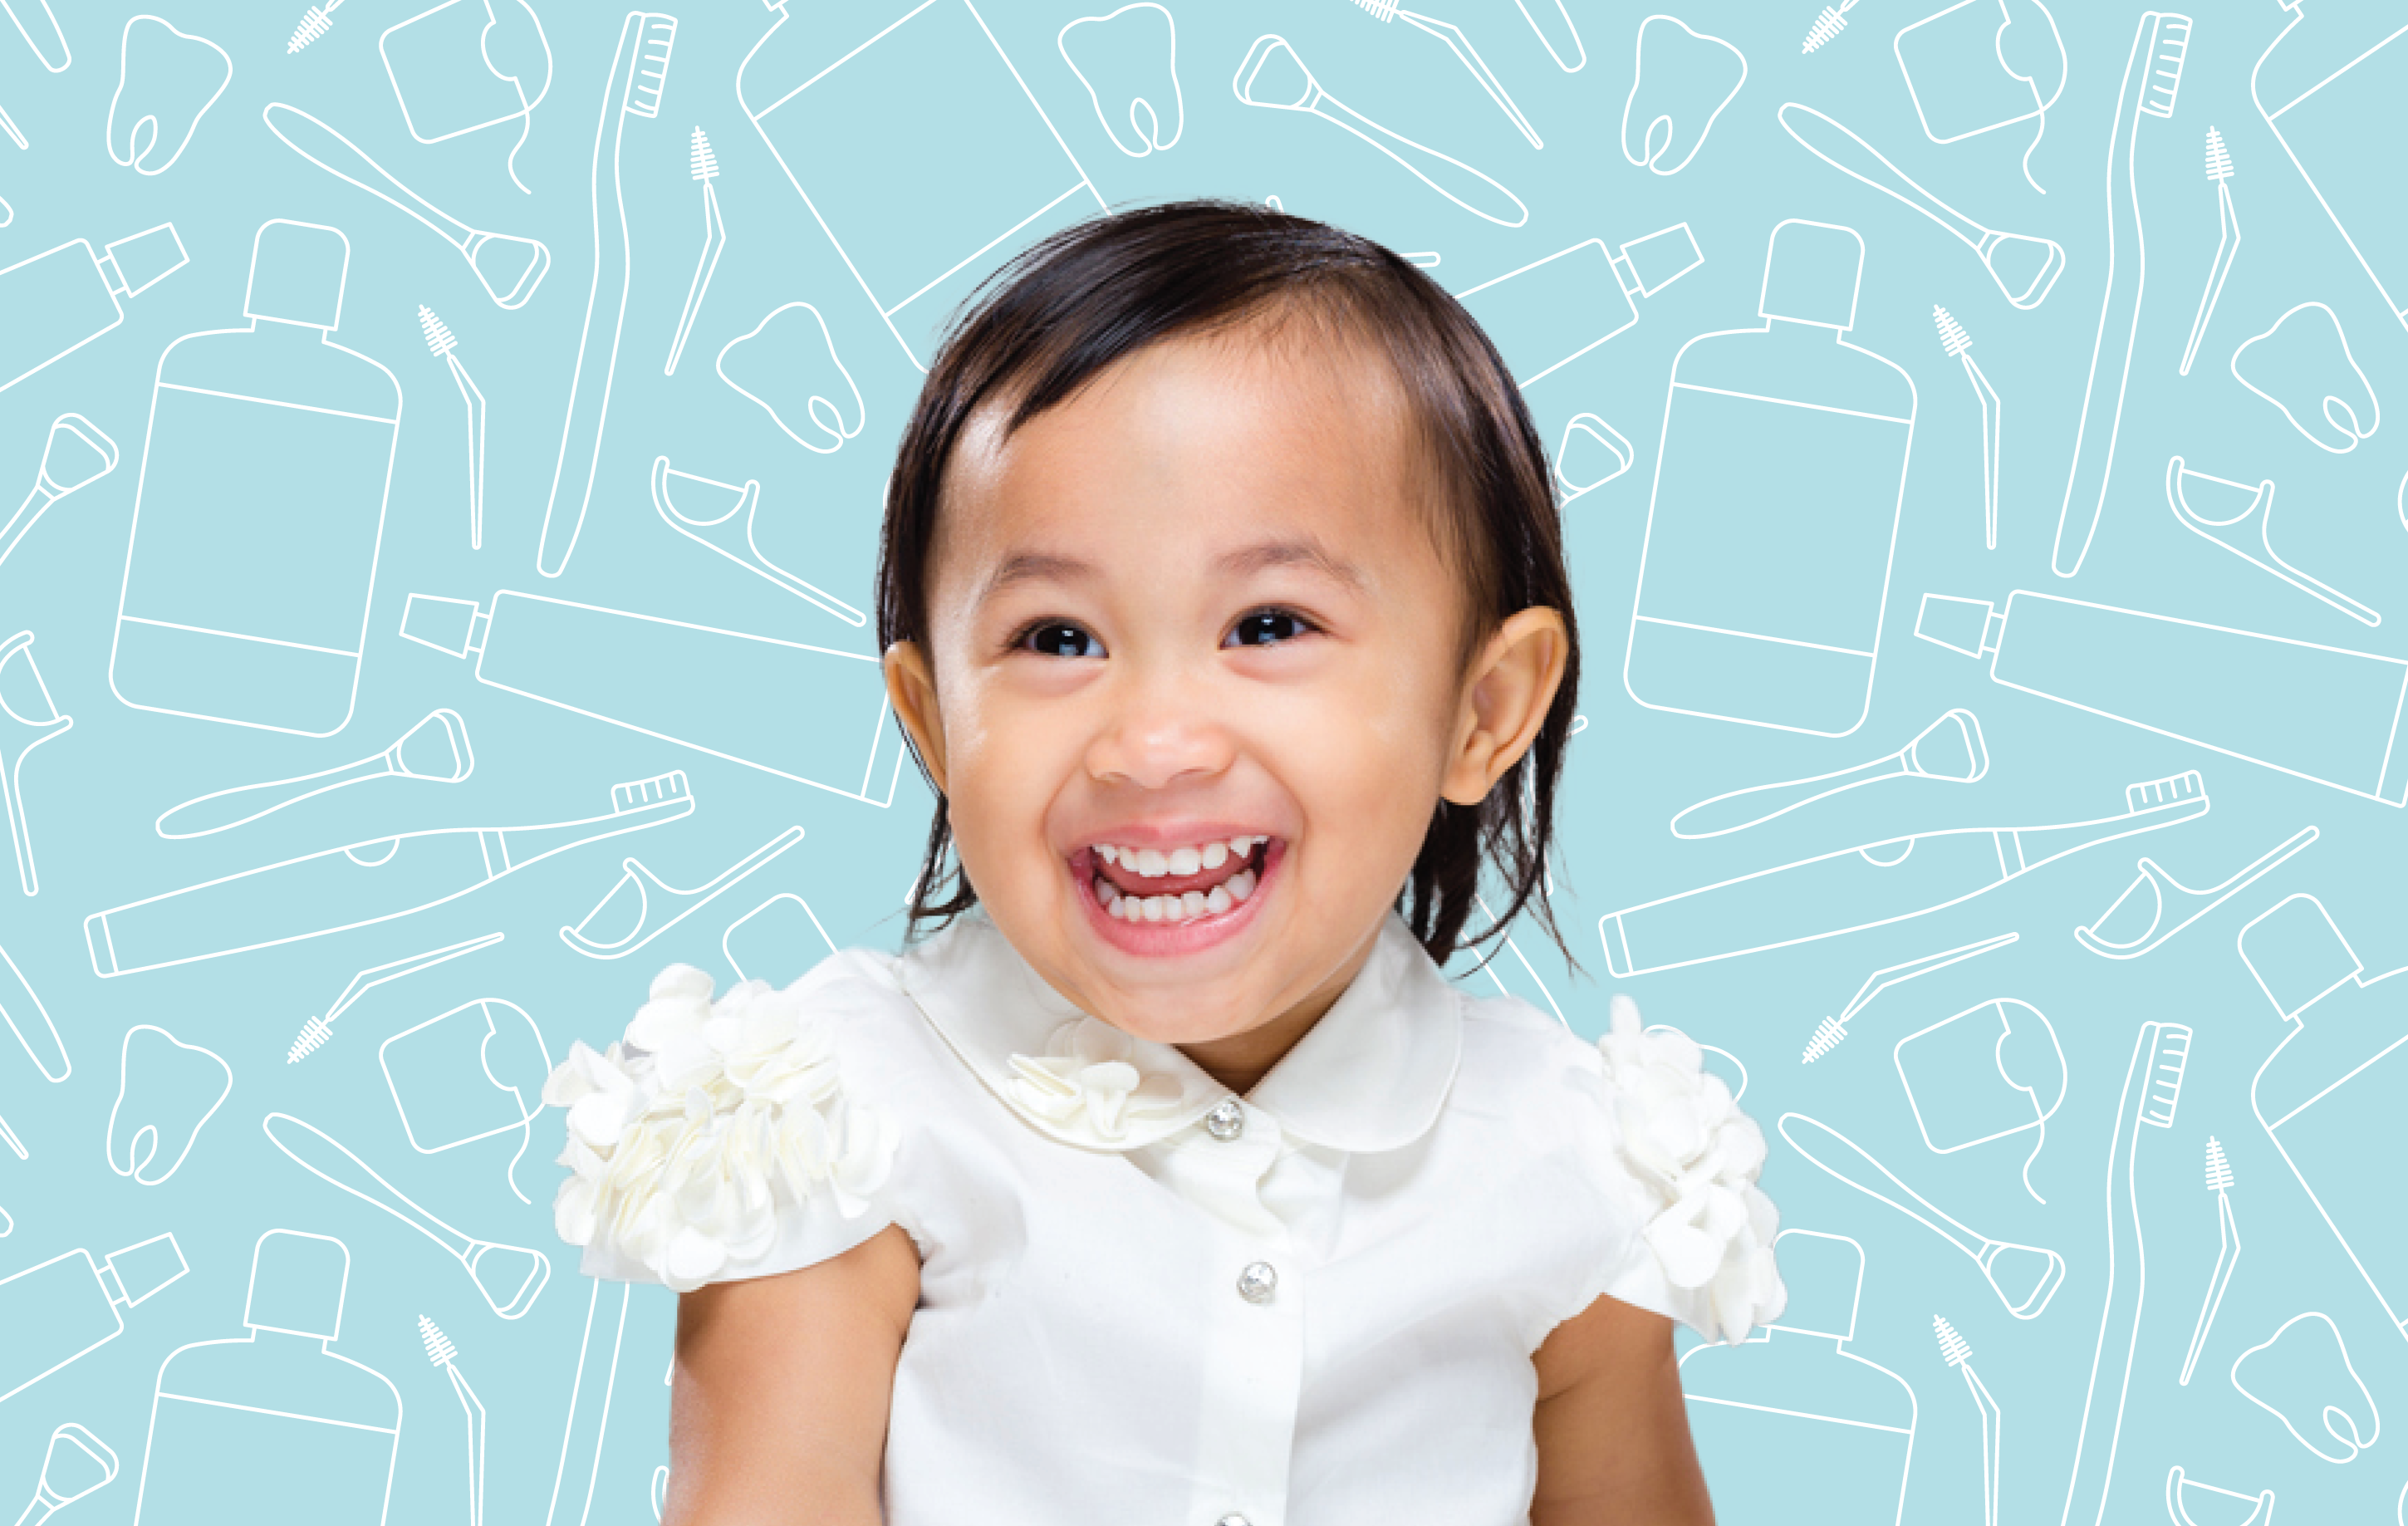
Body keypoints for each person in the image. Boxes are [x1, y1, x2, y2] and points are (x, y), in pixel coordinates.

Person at [544, 199, 1786, 1525]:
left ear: (1480, 711)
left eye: (1266, 623)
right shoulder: (844, 1113)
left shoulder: (1564, 1151)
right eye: (1056, 639)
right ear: (932, 725)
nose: (1151, 745)